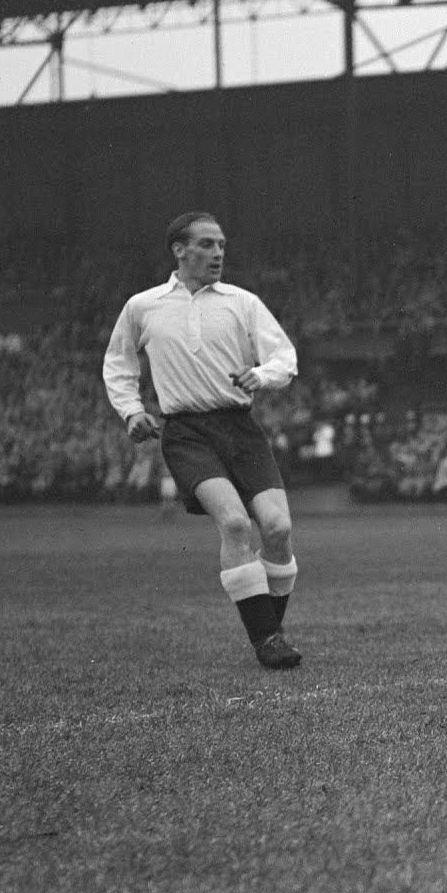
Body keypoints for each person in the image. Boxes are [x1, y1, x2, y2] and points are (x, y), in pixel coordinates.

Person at [102, 212, 304, 670]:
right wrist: (132, 411)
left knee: (277, 529)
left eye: (222, 246)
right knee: (234, 524)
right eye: (208, 245)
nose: (218, 254)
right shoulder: (143, 306)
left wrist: (261, 374)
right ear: (180, 249)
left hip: (240, 427)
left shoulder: (242, 302)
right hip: (186, 432)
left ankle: (269, 630)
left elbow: (284, 357)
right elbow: (118, 364)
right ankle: (268, 641)